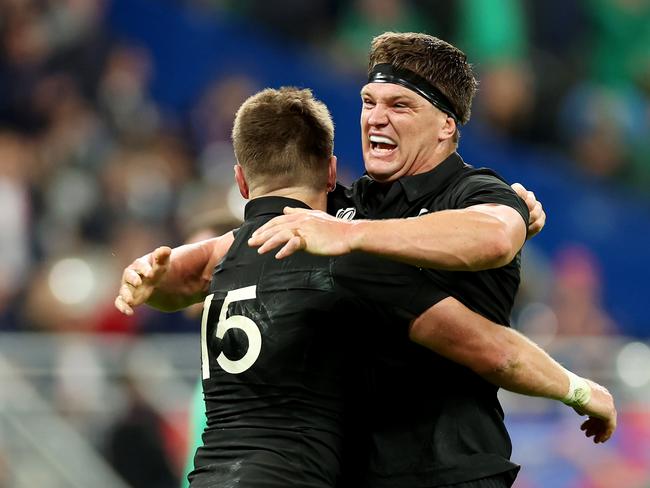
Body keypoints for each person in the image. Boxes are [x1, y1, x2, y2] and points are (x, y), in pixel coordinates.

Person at [115, 34, 615, 488]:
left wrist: (352, 234)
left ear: (445, 125)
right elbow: (230, 252)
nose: (376, 117)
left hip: (449, 471)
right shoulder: (341, 207)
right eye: (368, 102)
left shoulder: (474, 192)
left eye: (399, 105)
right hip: (353, 473)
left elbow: (496, 238)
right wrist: (157, 271)